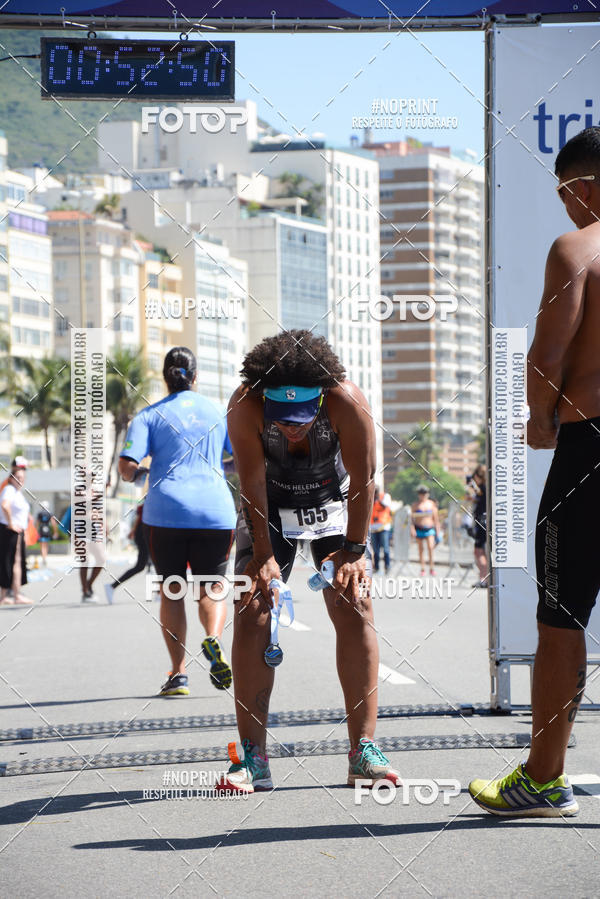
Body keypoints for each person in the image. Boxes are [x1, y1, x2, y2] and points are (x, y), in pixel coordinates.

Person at [469, 127, 600, 817]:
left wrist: (540, 419)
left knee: (562, 617)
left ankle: (544, 779)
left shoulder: (578, 248)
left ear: (583, 187)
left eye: (565, 195)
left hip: (592, 448)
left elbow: (548, 354)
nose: (565, 210)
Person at [217, 329, 400, 794]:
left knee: (354, 604)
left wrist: (354, 551)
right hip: (270, 503)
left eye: (303, 417)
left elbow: (364, 480)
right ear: (264, 398)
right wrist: (262, 556)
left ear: (322, 397)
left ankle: (363, 749)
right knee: (253, 610)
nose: (292, 427)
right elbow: (251, 486)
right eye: (284, 418)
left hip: (332, 502)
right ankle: (252, 756)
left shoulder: (347, 401)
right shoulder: (244, 405)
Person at [118, 346, 236, 696]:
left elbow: (126, 469)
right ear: (195, 376)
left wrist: (151, 471)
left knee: (172, 591)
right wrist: (218, 466)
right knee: (211, 588)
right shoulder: (219, 412)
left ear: (165, 377)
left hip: (166, 511)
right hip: (215, 510)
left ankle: (179, 674)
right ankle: (212, 639)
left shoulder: (148, 416)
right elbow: (240, 461)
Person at [104, 501, 150, 604]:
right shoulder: (151, 501)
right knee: (141, 566)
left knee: (151, 564)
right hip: (144, 535)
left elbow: (139, 518)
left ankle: (160, 593)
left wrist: (133, 531)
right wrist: (133, 531)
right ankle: (112, 586)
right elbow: (139, 519)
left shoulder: (149, 501)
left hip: (144, 535)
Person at [0, 458, 32, 605]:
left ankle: (16, 594)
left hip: (18, 531)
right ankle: (3, 595)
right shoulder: (9, 489)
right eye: (18, 478)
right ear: (11, 478)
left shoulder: (18, 492)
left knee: (17, 563)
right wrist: (12, 524)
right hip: (9, 530)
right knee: (7, 562)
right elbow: (5, 506)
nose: (21, 480)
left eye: (23, 478)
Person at [410, 485, 440, 576]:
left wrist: (438, 532)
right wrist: (412, 530)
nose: (422, 495)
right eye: (421, 493)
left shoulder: (431, 504)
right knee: (420, 549)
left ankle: (432, 567)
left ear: (427, 494)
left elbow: (436, 519)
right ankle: (423, 568)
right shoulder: (415, 505)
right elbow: (411, 519)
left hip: (429, 528)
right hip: (419, 528)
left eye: (424, 493)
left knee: (430, 547)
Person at [467, 465, 488, 588]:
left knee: (479, 551)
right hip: (483, 521)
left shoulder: (482, 488)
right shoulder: (486, 487)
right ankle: (485, 578)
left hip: (481, 521)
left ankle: (484, 578)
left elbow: (476, 495)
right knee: (481, 551)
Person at [370, 486, 393, 574]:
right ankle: (377, 567)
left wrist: (378, 498)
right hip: (373, 528)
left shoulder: (385, 496)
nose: (374, 493)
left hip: (384, 527)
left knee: (386, 548)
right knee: (376, 549)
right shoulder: (371, 497)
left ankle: (387, 566)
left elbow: (385, 505)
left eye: (376, 491)